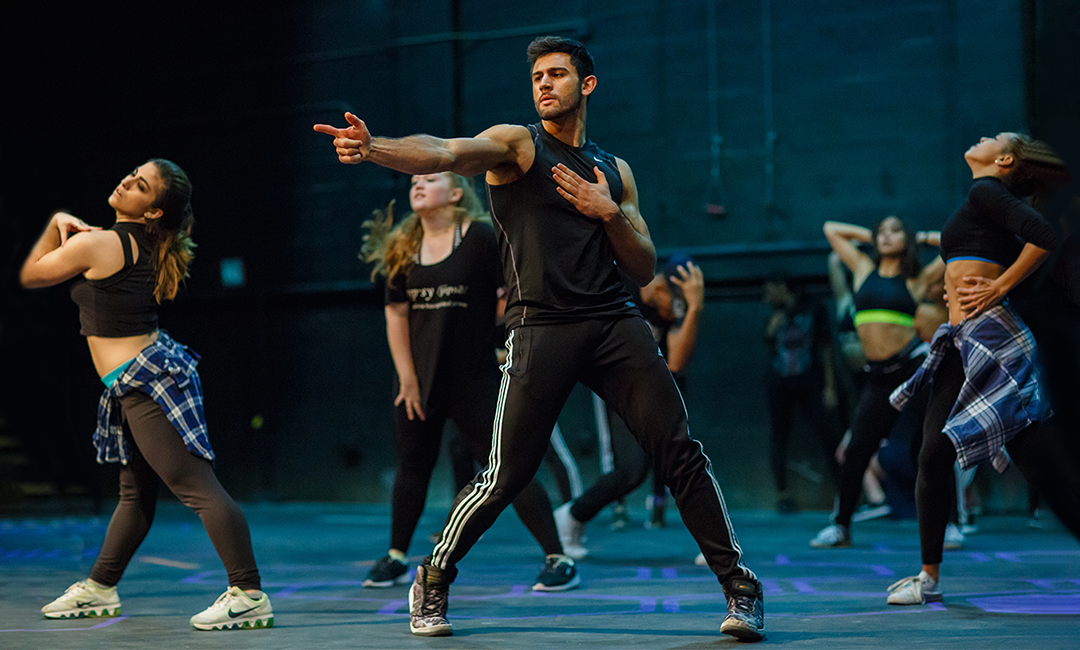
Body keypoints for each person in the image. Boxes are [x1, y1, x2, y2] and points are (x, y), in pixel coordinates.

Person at [314, 36, 764, 641]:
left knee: (679, 450)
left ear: (588, 84)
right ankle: (435, 574)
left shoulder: (615, 170)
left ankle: (739, 587)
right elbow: (446, 152)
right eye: (537, 77)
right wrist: (375, 149)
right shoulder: (518, 146)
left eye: (557, 74)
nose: (544, 84)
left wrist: (610, 211)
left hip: (612, 321)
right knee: (506, 471)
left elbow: (643, 266)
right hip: (540, 325)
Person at [20, 160, 273, 631]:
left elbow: (33, 274)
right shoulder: (139, 243)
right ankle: (99, 586)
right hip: (135, 378)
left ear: (153, 211)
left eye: (140, 185)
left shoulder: (102, 243)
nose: (125, 181)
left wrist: (57, 224)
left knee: (198, 489)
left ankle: (249, 592)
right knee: (135, 493)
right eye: (131, 174)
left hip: (147, 381)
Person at [359, 172, 577, 592]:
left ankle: (558, 556)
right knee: (412, 466)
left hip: (473, 381)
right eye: (414, 181)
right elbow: (396, 313)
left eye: (431, 177)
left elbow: (514, 288)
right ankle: (396, 556)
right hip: (419, 382)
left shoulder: (478, 237)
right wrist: (406, 376)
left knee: (508, 470)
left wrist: (503, 338)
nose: (418, 184)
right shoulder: (404, 244)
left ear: (456, 193)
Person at [887, 133, 1073, 605]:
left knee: (1031, 458)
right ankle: (928, 579)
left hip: (988, 339)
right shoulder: (989, 205)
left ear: (1003, 160)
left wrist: (996, 289)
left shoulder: (985, 191)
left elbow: (1047, 238)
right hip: (962, 341)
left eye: (996, 138)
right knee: (936, 453)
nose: (983, 137)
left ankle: (929, 578)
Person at [554, 256, 705, 558]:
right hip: (616, 384)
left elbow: (676, 362)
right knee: (631, 470)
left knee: (682, 459)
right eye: (675, 307)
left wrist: (696, 308)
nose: (674, 315)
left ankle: (712, 541)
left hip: (657, 388)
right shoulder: (624, 286)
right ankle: (572, 515)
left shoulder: (676, 306)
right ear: (660, 287)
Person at [811, 215, 944, 548]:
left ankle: (952, 523)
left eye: (895, 231)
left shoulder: (916, 280)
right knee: (857, 451)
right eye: (882, 231)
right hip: (878, 378)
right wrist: (872, 236)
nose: (886, 237)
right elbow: (831, 229)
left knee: (933, 446)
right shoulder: (862, 269)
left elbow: (958, 246)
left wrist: (921, 236)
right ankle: (841, 526)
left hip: (913, 370)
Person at [761, 275, 841, 514]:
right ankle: (782, 494)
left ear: (783, 286)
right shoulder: (774, 315)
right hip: (780, 382)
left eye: (770, 290)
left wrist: (829, 386)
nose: (766, 296)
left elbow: (826, 348)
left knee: (828, 433)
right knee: (779, 435)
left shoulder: (813, 309)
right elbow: (770, 346)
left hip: (810, 381)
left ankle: (844, 491)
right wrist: (772, 328)